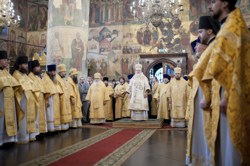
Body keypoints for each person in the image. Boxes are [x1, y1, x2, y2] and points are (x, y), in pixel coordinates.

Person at [193, 0, 250, 165]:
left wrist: (225, 98)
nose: (210, 6)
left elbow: (238, 66)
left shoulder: (233, 28)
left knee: (230, 150)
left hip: (232, 97)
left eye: (213, 1)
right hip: (227, 95)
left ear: (224, 3)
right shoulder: (230, 25)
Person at [186, 15, 220, 165]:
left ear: (210, 31)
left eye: (200, 32)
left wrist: (203, 53)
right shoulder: (209, 49)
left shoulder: (214, 48)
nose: (198, 36)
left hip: (210, 100)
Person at [12, 55, 38, 143]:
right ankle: (22, 137)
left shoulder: (25, 75)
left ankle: (30, 135)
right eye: (24, 64)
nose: (26, 66)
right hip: (21, 102)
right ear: (19, 65)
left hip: (29, 102)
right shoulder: (16, 75)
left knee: (29, 118)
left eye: (27, 64)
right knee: (23, 120)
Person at [0, 51, 19, 146]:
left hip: (9, 102)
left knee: (9, 119)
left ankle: (9, 140)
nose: (6, 62)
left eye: (6, 60)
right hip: (1, 102)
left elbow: (15, 84)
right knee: (1, 121)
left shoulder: (6, 73)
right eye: (4, 60)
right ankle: (1, 141)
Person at [28, 60, 47, 136]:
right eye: (38, 67)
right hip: (35, 101)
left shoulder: (38, 78)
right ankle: (35, 133)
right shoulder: (30, 77)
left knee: (41, 117)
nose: (39, 68)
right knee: (36, 117)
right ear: (33, 68)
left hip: (41, 100)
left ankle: (40, 131)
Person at [43, 64, 63, 132]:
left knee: (55, 114)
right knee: (50, 114)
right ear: (49, 72)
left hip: (55, 99)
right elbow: (46, 90)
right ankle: (50, 129)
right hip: (49, 99)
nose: (54, 73)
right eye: (52, 72)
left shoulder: (54, 79)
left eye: (54, 71)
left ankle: (55, 128)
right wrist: (47, 99)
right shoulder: (45, 79)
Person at [56, 64, 72, 130]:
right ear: (60, 72)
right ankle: (62, 127)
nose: (65, 73)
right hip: (61, 99)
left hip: (66, 99)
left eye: (65, 72)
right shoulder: (57, 79)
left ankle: (65, 126)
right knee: (62, 112)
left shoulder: (63, 79)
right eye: (63, 72)